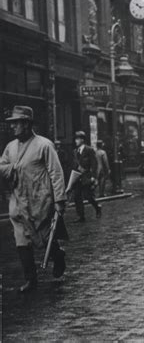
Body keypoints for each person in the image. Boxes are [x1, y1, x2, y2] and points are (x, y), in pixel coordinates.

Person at [0, 106, 68, 292]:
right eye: (11, 123)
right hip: (18, 200)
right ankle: (31, 279)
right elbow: (2, 166)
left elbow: (55, 172)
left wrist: (59, 200)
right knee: (21, 239)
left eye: (16, 123)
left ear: (27, 124)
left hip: (40, 200)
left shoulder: (44, 145)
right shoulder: (10, 147)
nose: (12, 127)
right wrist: (12, 168)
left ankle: (58, 255)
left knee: (44, 237)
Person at [71, 131, 102, 222]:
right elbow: (74, 164)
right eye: (75, 139)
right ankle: (81, 216)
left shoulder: (89, 150)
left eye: (77, 139)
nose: (75, 141)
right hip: (77, 177)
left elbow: (94, 164)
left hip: (87, 177)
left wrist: (94, 177)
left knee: (88, 196)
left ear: (82, 140)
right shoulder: (75, 151)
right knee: (77, 197)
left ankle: (97, 207)